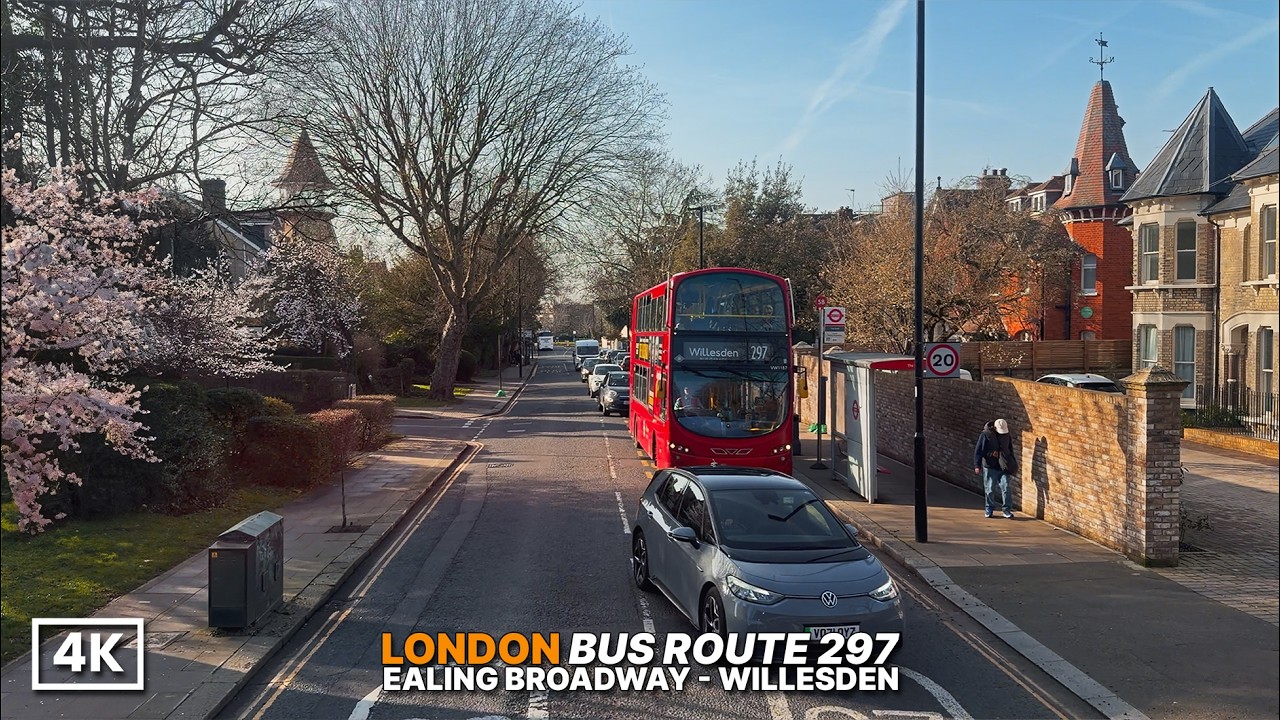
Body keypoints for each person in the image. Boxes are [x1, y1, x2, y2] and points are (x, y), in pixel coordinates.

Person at [974, 418, 1017, 519]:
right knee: (990, 489)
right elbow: (979, 450)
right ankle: (989, 508)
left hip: (1003, 466)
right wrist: (977, 465)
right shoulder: (986, 435)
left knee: (1006, 487)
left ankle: (1007, 510)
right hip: (990, 465)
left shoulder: (1006, 436)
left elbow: (1010, 449)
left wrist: (1011, 462)